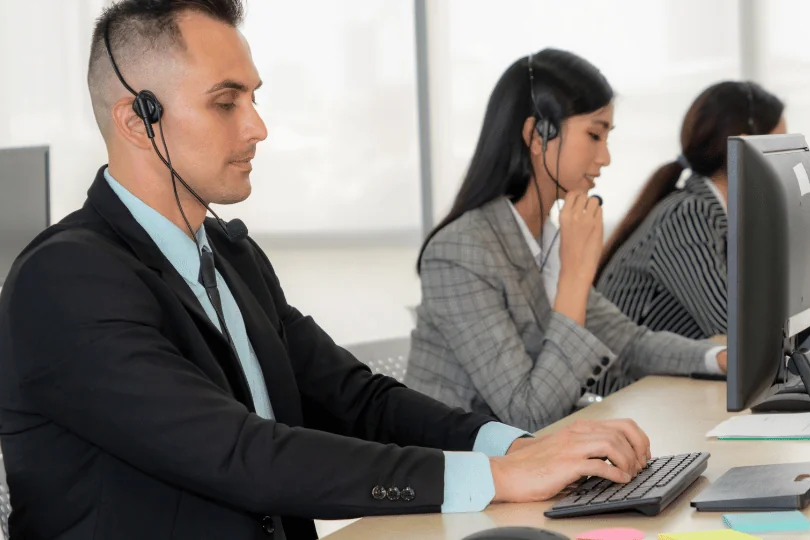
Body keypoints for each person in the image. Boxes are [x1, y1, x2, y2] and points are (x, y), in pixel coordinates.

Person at [0, 3, 656, 539]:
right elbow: (240, 453)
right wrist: (493, 478)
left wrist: (513, 448)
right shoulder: (65, 282)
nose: (258, 127)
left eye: (254, 98)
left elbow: (357, 401)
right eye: (226, 102)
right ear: (137, 121)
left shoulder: (230, 256)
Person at [405, 49, 727, 433]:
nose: (605, 157)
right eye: (594, 135)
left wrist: (721, 359)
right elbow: (528, 416)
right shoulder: (461, 252)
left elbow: (631, 343)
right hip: (470, 476)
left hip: (537, 463)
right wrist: (575, 273)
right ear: (536, 135)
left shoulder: (544, 239)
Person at [595, 81, 810, 341]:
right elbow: (729, 320)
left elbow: (756, 298)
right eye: (779, 147)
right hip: (633, 387)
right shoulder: (688, 214)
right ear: (746, 147)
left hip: (666, 382)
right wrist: (800, 313)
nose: (788, 162)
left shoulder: (727, 214)